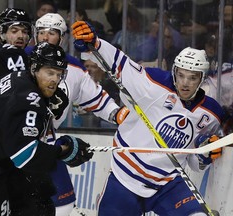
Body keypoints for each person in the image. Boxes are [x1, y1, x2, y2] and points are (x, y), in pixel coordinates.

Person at [72, 21, 224, 216]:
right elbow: (120, 63)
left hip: (169, 184)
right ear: (174, 72)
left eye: (193, 77)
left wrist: (205, 154)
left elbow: (195, 162)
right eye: (181, 75)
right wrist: (95, 43)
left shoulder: (211, 114)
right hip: (125, 177)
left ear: (202, 79)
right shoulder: (153, 85)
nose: (185, 83)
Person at [0, 41, 93, 216]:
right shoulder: (27, 98)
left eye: (59, 74)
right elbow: (25, 155)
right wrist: (62, 151)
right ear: (34, 69)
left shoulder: (20, 76)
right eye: (49, 72)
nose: (54, 79)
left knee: (38, 200)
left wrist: (46, 103)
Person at [33, 13, 129, 215]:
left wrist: (117, 113)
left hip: (48, 144)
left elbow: (96, 98)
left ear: (62, 37)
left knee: (64, 205)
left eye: (51, 33)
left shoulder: (74, 69)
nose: (45, 37)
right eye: (41, 32)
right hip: (16, 143)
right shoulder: (22, 60)